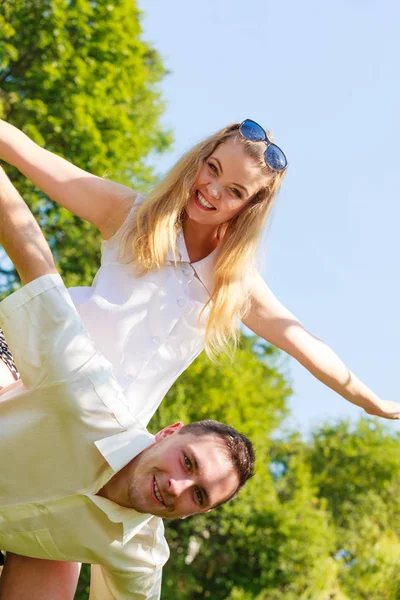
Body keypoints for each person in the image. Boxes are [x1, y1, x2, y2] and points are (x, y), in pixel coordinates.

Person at [0, 116, 399, 596]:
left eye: (233, 191)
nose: (211, 190)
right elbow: (33, 157)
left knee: (49, 572)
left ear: (249, 207)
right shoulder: (132, 214)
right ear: (198, 160)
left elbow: (307, 346)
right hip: (29, 365)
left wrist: (371, 402)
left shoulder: (233, 285)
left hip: (99, 449)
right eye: (210, 169)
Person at [0, 166, 255, 599]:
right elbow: (36, 264)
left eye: (198, 496)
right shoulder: (87, 394)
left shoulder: (139, 553)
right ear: (168, 433)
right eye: (187, 463)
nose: (177, 486)